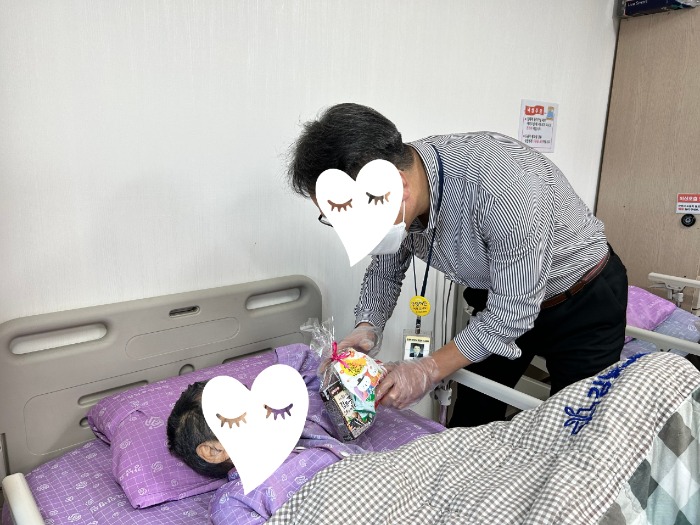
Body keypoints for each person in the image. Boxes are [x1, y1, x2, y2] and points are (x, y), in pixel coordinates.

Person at [287, 102, 628, 427]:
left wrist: (426, 370)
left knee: (576, 427)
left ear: (399, 187)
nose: (353, 232)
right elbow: (385, 270)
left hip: (581, 297)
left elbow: (512, 313)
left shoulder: (503, 188)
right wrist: (367, 327)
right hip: (500, 297)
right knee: (471, 419)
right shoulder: (394, 186)